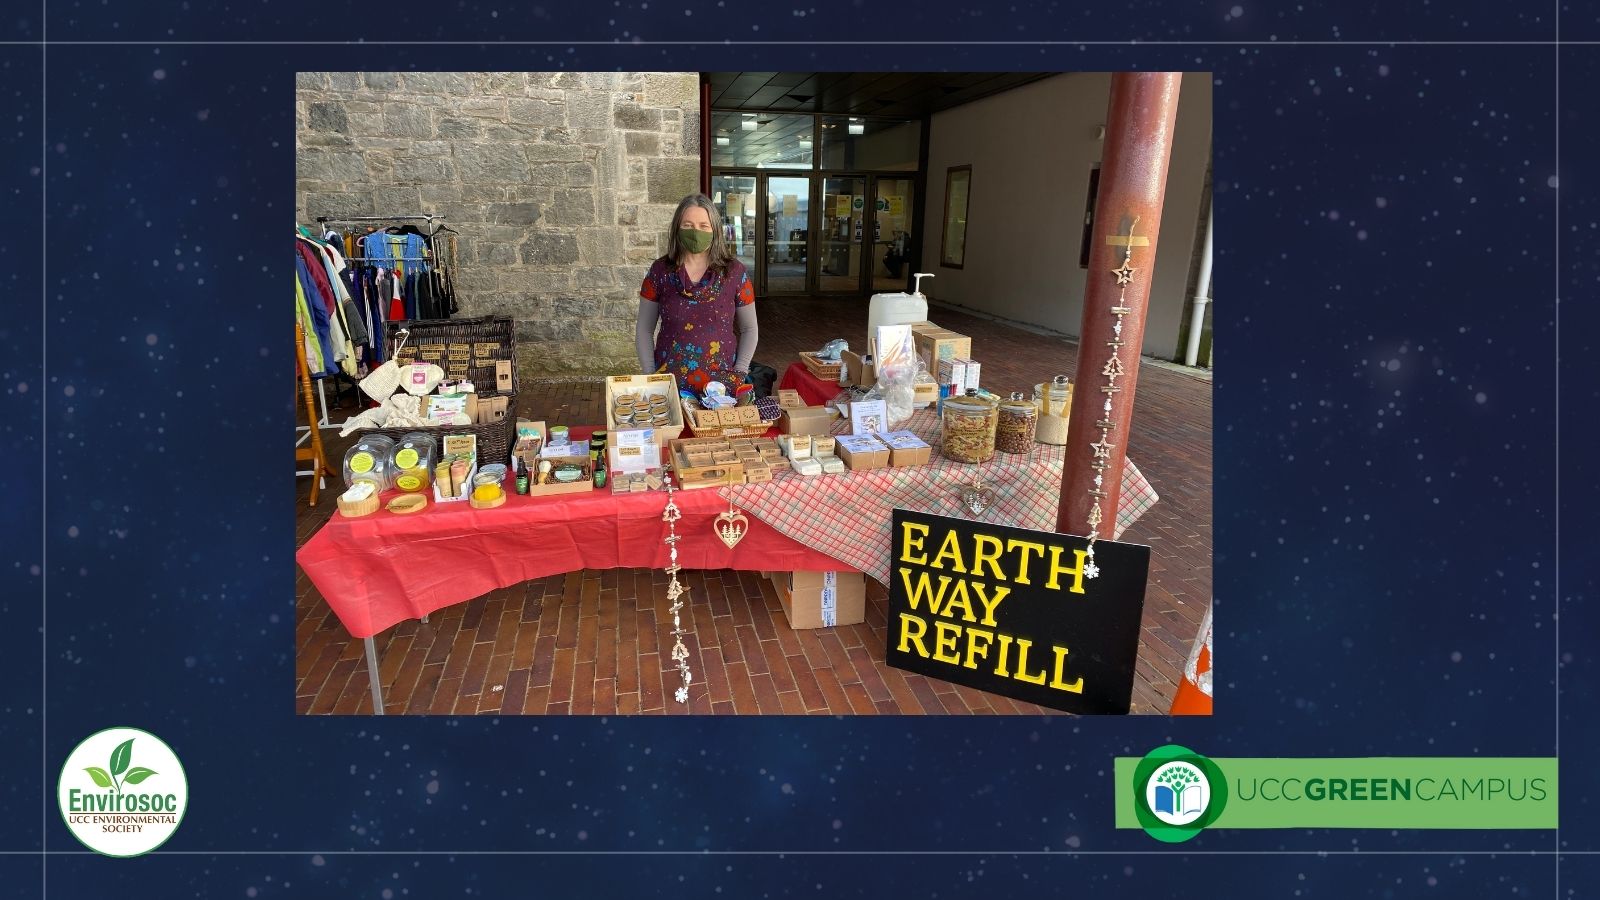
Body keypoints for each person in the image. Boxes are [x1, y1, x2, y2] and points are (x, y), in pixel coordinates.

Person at [636, 194, 758, 392]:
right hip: (668, 386)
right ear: (677, 228)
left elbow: (749, 328)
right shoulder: (660, 271)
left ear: (715, 230)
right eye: (688, 225)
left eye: (703, 226)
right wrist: (650, 375)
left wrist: (740, 372)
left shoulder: (734, 272)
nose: (695, 232)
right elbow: (644, 329)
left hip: (721, 390)